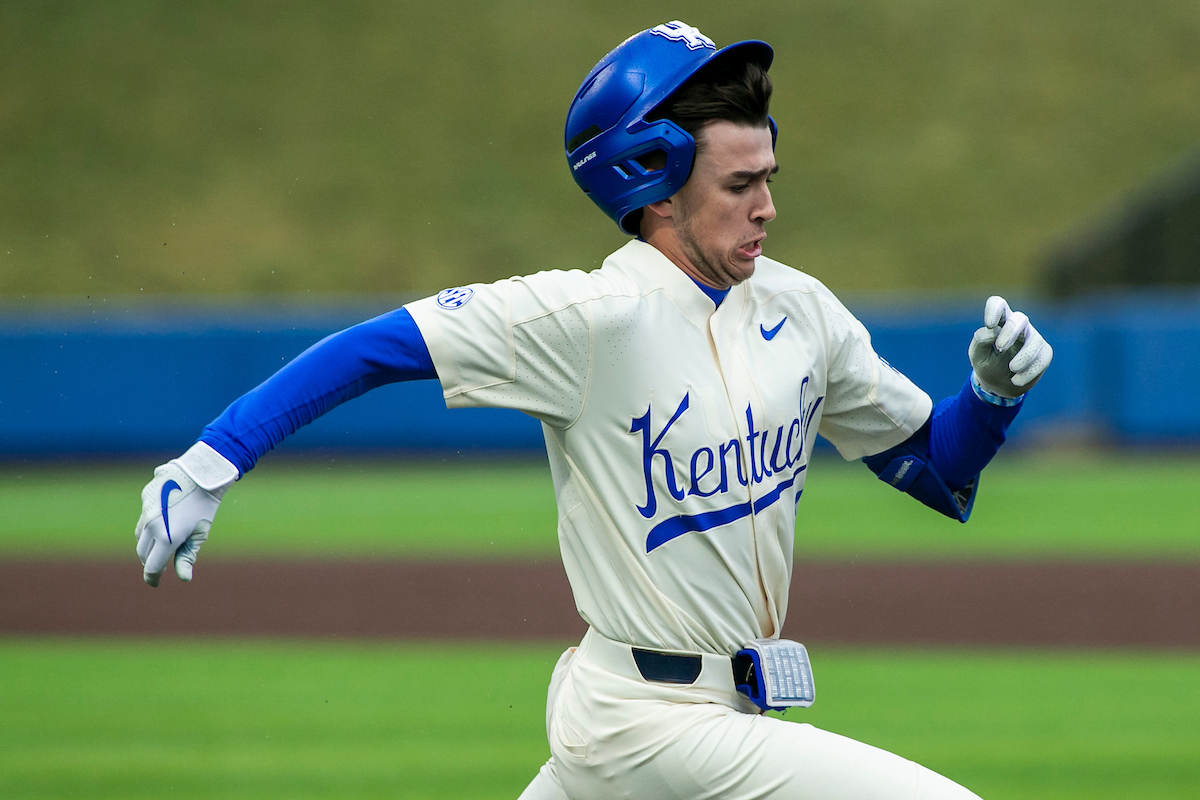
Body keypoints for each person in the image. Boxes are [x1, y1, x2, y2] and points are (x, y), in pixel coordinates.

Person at [135, 21, 1052, 800]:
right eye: (739, 186)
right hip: (645, 724)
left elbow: (935, 466)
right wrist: (211, 461)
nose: (767, 207)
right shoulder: (588, 320)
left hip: (685, 721)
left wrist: (993, 395)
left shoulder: (799, 309)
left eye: (770, 176)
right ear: (655, 181)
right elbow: (374, 348)